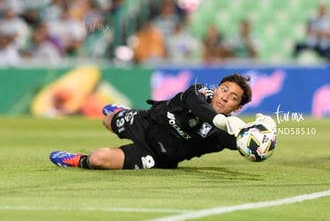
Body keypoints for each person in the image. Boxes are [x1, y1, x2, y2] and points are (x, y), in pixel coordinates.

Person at [49, 74, 275, 170]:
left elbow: (244, 144)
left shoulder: (223, 132)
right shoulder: (197, 92)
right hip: (146, 122)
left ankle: (78, 161)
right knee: (107, 120)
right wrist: (223, 121)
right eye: (223, 89)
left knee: (99, 159)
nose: (224, 96)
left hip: (158, 156)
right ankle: (122, 113)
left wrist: (262, 132)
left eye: (233, 98)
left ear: (238, 108)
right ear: (216, 88)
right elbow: (199, 109)